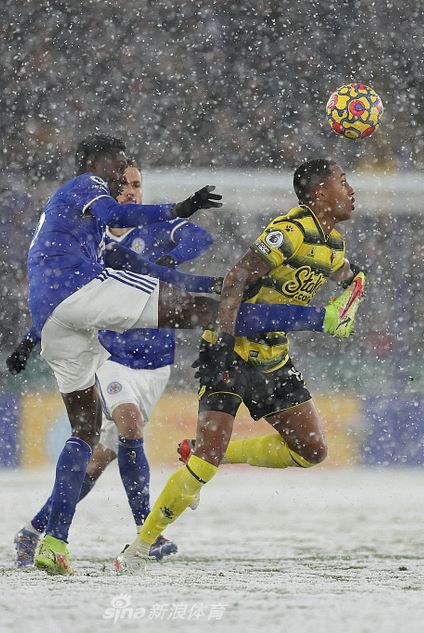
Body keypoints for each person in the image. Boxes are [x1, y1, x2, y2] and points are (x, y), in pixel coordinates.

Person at [22, 136, 354, 575]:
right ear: (100, 169)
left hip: (95, 334)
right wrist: (175, 211)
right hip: (96, 325)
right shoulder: (91, 200)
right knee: (198, 324)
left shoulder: (99, 235)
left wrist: (185, 263)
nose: (127, 181)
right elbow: (114, 219)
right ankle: (146, 531)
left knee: (87, 434)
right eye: (124, 173)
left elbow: (176, 249)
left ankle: (51, 539)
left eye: (135, 178)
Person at [115, 158, 367, 573]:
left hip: (273, 357)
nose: (351, 189)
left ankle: (209, 453)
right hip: (231, 351)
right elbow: (236, 278)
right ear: (321, 194)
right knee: (205, 464)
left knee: (311, 451)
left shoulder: (333, 244)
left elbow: (349, 276)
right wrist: (223, 346)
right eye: (343, 181)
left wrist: (354, 294)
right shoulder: (289, 231)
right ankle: (139, 548)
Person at [11, 161, 213, 566]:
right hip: (112, 358)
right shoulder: (93, 239)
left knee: (99, 460)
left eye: (138, 185)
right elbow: (65, 301)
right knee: (129, 421)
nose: (132, 192)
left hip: (156, 364)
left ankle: (34, 529)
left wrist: (171, 261)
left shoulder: (155, 231)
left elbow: (199, 235)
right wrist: (31, 339)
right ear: (110, 191)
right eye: (125, 185)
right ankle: (147, 533)